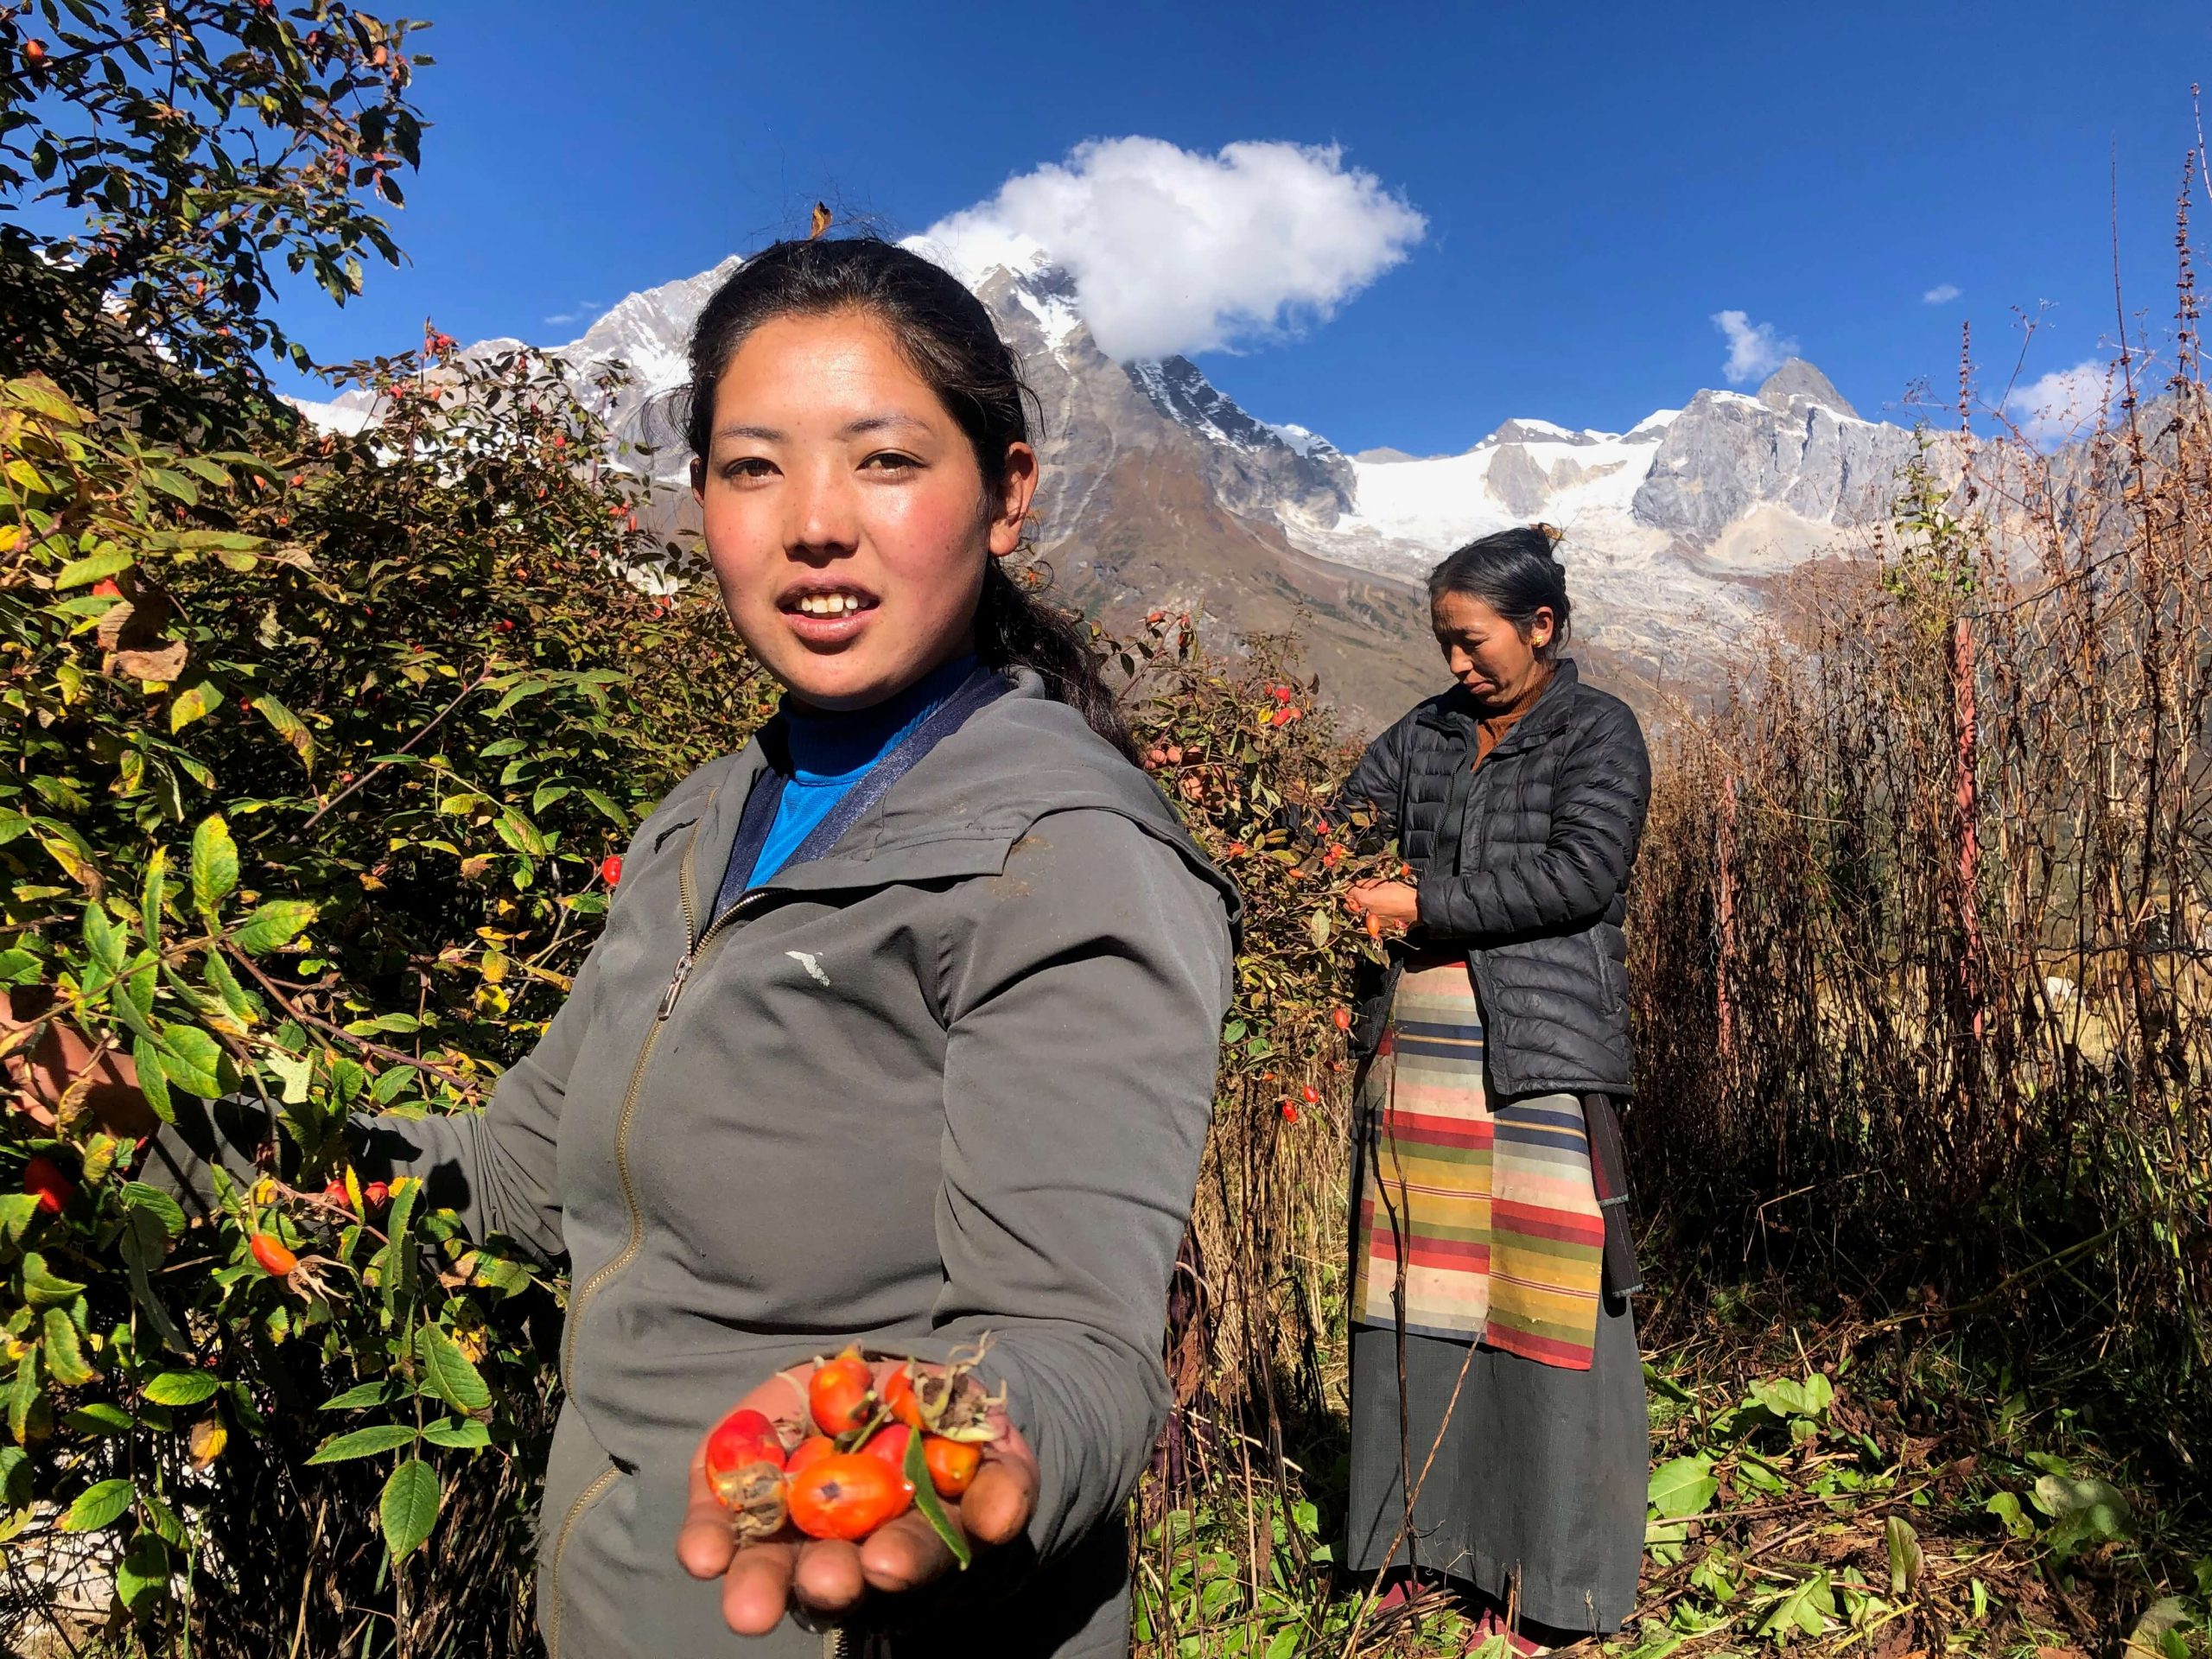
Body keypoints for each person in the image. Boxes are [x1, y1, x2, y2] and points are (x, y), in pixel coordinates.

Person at [49, 237, 1239, 1657]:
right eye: (753, 468)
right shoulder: (704, 819)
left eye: (885, 461)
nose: (815, 524)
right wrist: (163, 1132)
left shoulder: (1064, 853)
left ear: (1008, 493)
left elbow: (1078, 1344)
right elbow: (512, 1177)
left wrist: (962, 1438)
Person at [1338, 524, 1650, 1655]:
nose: (1456, 664)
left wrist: (1420, 903)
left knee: (1540, 1300)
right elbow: (1341, 825)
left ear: (1541, 626)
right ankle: (1414, 1548)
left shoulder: (1598, 730)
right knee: (1414, 1290)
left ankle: (1548, 1584)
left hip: (1540, 1055)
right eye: (1445, 643)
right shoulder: (1425, 733)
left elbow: (1581, 875)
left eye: (1473, 642)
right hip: (1418, 1049)